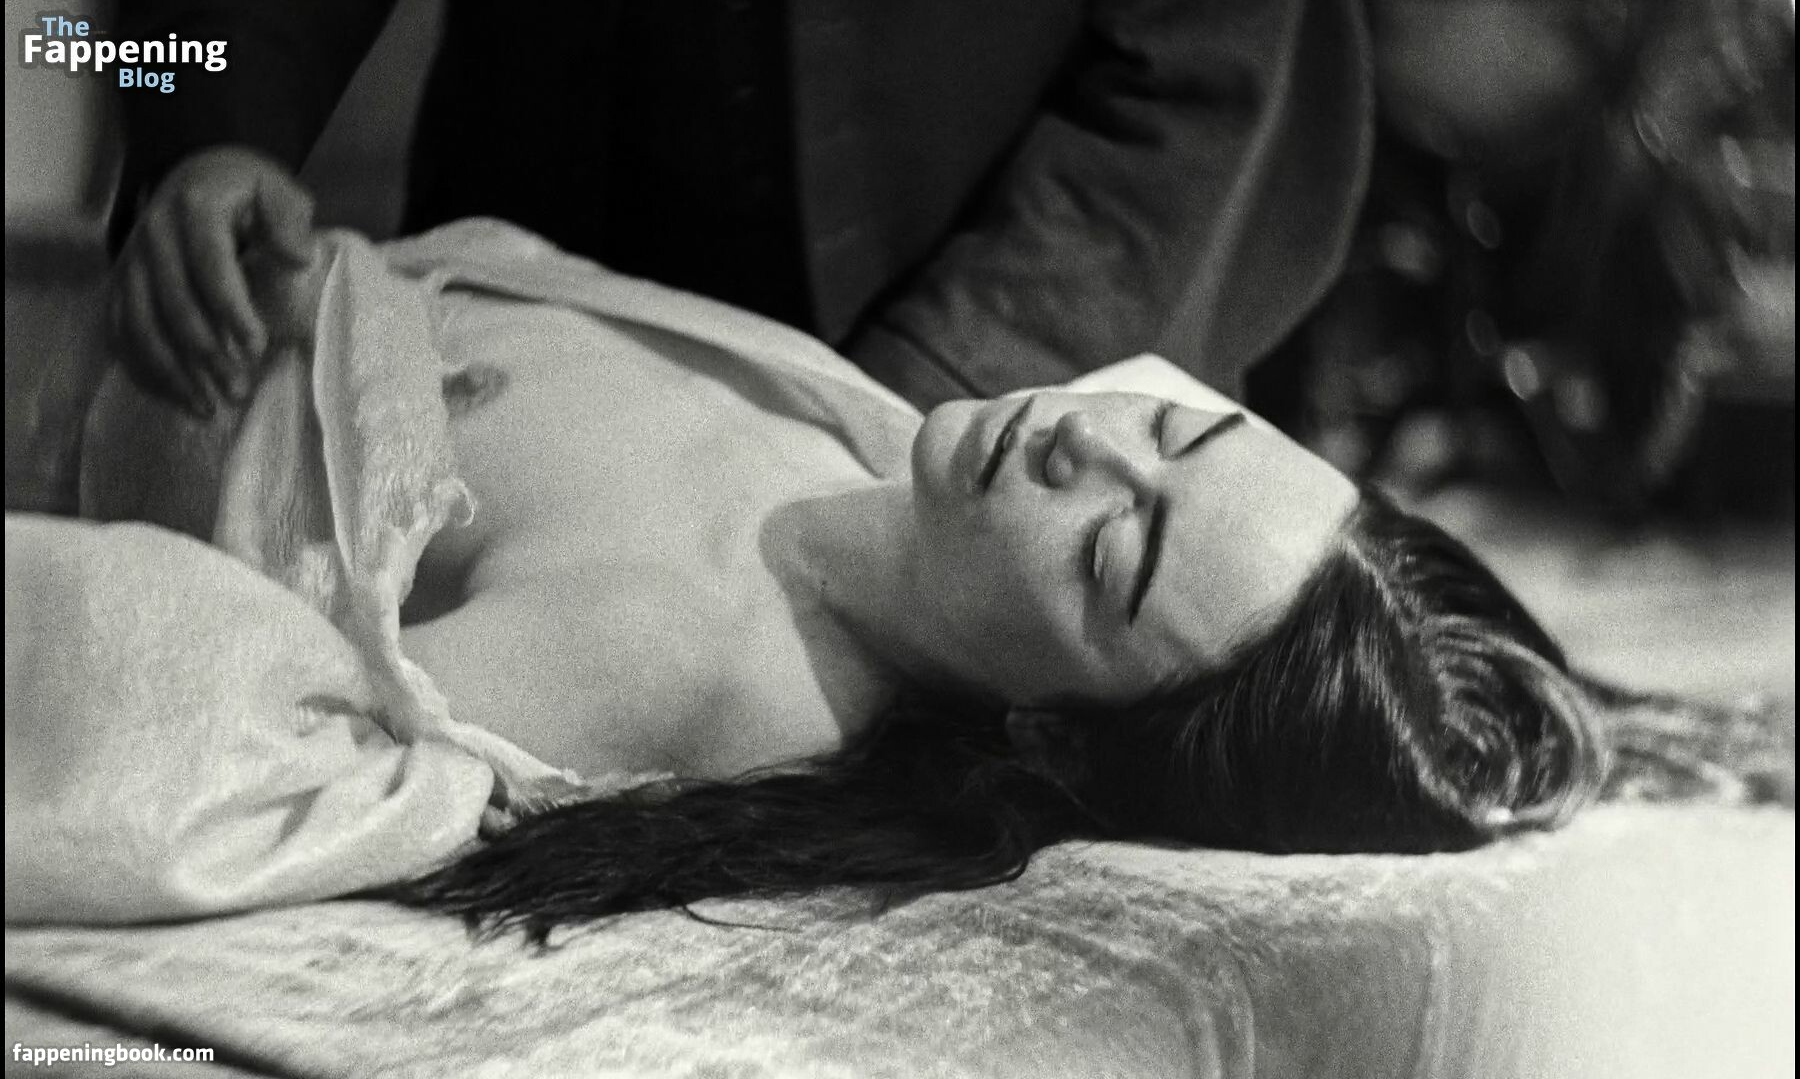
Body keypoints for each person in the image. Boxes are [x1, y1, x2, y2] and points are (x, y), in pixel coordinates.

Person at [113, 223, 1595, 943]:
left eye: (1113, 550)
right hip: (197, 274)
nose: (1082, 441)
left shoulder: (689, 654)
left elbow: (203, 715)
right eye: (1169, 429)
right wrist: (227, 186)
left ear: (1046, 728)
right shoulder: (879, 446)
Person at [104, 0, 1375, 418]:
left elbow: (1210, 81)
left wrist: (918, 410)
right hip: (516, 364)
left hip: (982, 402)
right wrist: (208, 133)